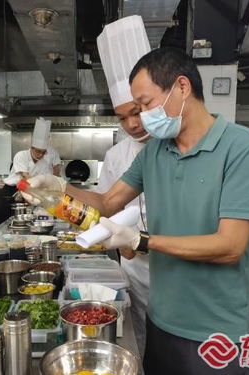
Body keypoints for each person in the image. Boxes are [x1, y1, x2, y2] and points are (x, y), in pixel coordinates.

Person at [21, 47, 249, 375]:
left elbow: (230, 247)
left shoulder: (242, 149)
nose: (141, 118)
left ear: (182, 87)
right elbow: (109, 201)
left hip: (216, 333)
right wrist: (58, 188)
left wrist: (142, 240)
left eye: (146, 104)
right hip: (161, 321)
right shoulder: (154, 152)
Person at [95, 14, 151, 357]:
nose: (132, 124)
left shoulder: (177, 147)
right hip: (134, 270)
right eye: (122, 117)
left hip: (180, 270)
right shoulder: (117, 155)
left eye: (138, 111)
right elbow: (107, 205)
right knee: (139, 343)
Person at [5, 117, 58, 185]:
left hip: (30, 188)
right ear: (32, 148)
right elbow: (25, 175)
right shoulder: (21, 155)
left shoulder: (44, 163)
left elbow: (46, 179)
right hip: (12, 189)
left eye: (43, 152)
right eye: (38, 151)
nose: (41, 154)